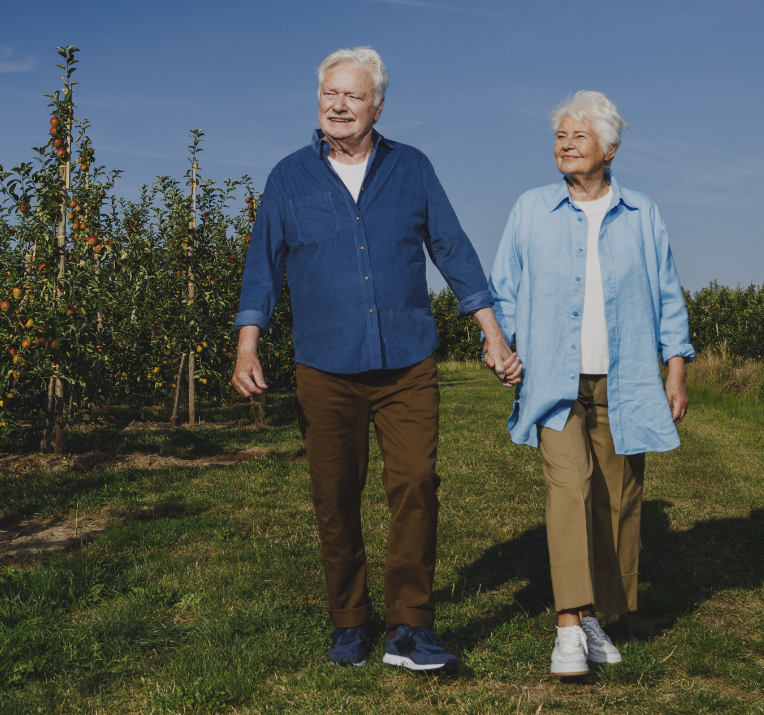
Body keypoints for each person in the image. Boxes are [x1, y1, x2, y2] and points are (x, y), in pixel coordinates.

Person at [232, 46, 518, 672]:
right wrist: (247, 341)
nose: (337, 105)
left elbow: (453, 249)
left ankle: (410, 627)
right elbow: (263, 267)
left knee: (415, 484)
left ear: (377, 106)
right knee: (335, 495)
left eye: (351, 96)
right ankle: (349, 620)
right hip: (324, 365)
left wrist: (492, 334)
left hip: (407, 363)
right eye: (328, 94)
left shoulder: (411, 169)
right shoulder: (288, 177)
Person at [486, 90, 694, 677]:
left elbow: (667, 296)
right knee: (570, 486)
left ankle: (600, 612)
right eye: (559, 136)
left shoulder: (642, 214)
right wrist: (495, 342)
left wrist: (675, 367)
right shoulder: (531, 209)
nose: (565, 144)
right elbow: (504, 288)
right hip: (553, 378)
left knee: (619, 498)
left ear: (610, 148)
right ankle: (569, 626)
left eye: (578, 136)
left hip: (624, 382)